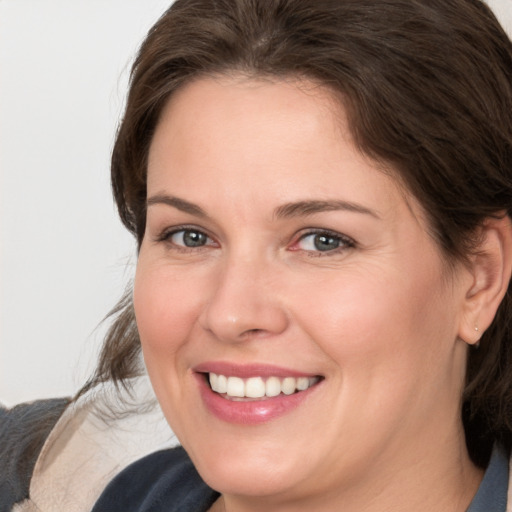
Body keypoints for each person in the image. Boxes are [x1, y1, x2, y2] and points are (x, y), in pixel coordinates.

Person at [3, 0, 512, 510]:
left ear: (479, 278)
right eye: (190, 236)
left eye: (322, 240)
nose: (230, 314)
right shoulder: (33, 482)